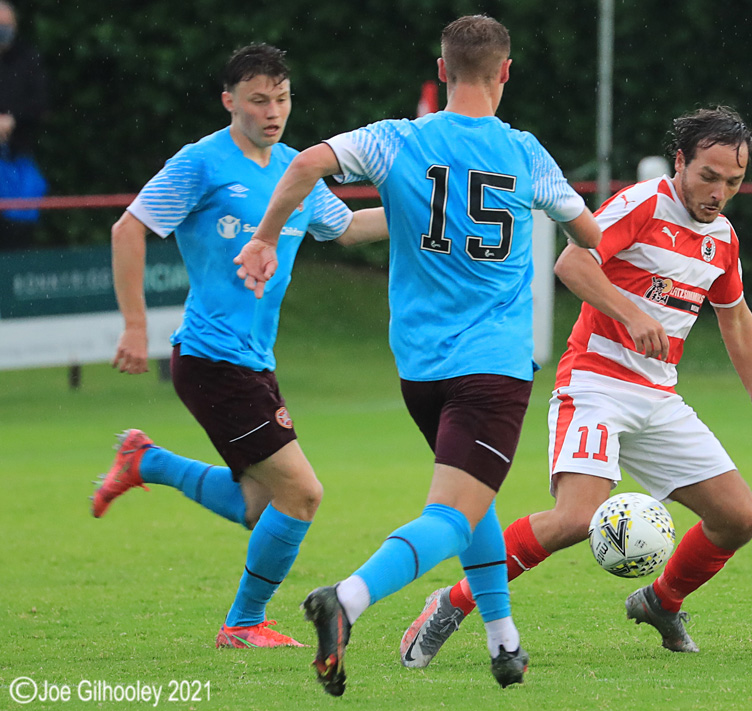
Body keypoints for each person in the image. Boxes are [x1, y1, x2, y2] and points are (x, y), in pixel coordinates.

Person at [234, 15, 665, 696]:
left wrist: (264, 237)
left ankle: (504, 640)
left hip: (418, 369)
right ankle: (345, 599)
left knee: (475, 499)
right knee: (453, 513)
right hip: (490, 367)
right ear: (506, 73)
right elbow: (587, 232)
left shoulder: (395, 138)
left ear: (442, 70)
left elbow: (308, 162)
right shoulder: (524, 152)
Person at [399, 106, 752, 667]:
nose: (719, 192)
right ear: (681, 162)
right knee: (573, 520)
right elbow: (573, 265)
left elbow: (734, 316)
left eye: (732, 182)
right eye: (708, 176)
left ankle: (662, 602)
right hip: (595, 383)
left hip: (658, 396)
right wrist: (630, 312)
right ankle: (452, 602)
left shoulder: (723, 239)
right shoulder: (642, 204)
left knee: (739, 519)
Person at [91, 44, 387, 650]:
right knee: (301, 494)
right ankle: (243, 624)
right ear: (230, 102)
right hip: (210, 358)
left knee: (260, 505)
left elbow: (351, 229)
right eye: (258, 100)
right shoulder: (201, 163)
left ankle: (145, 461)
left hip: (254, 362)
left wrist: (428, 210)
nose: (272, 111)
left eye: (281, 98)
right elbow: (129, 228)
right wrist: (135, 326)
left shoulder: (296, 172)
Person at [0, 0, 49, 249]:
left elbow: (40, 103)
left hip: (18, 158)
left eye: (6, 25)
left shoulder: (27, 58)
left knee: (19, 226)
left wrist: (12, 118)